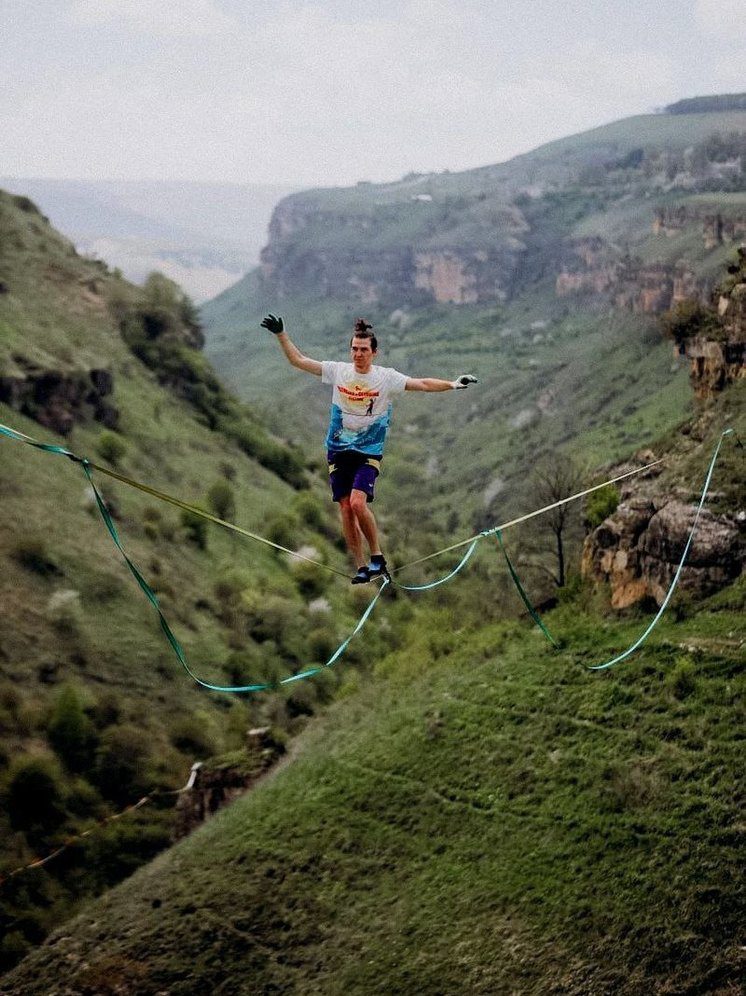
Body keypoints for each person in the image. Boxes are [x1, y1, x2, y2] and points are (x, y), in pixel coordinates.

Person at [260, 314, 477, 583]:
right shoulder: (338, 371)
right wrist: (281, 335)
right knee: (345, 509)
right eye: (354, 349)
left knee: (357, 502)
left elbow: (421, 384)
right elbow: (299, 361)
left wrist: (453, 384)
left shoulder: (386, 378)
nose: (358, 354)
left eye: (363, 350)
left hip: (368, 451)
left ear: (374, 352)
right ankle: (362, 567)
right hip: (338, 449)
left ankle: (377, 556)